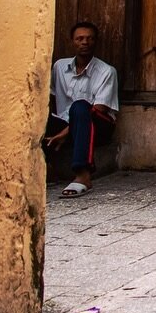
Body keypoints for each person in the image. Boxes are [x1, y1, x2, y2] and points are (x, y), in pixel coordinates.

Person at [44, 21, 119, 197]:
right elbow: (52, 97)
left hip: (98, 124)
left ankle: (83, 174)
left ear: (95, 42)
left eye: (89, 39)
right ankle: (45, 168)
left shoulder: (107, 71)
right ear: (72, 41)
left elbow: (97, 109)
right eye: (80, 39)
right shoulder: (60, 67)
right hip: (66, 121)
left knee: (80, 106)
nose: (84, 42)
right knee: (35, 116)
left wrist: (67, 132)